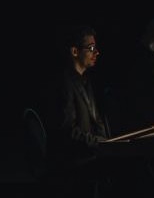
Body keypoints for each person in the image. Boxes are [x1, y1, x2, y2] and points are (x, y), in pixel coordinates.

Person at [44, 25, 109, 175]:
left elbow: (96, 120)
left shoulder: (86, 81)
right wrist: (100, 142)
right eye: (91, 48)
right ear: (75, 51)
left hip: (88, 156)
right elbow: (67, 131)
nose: (97, 52)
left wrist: (106, 141)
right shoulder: (63, 83)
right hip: (73, 162)